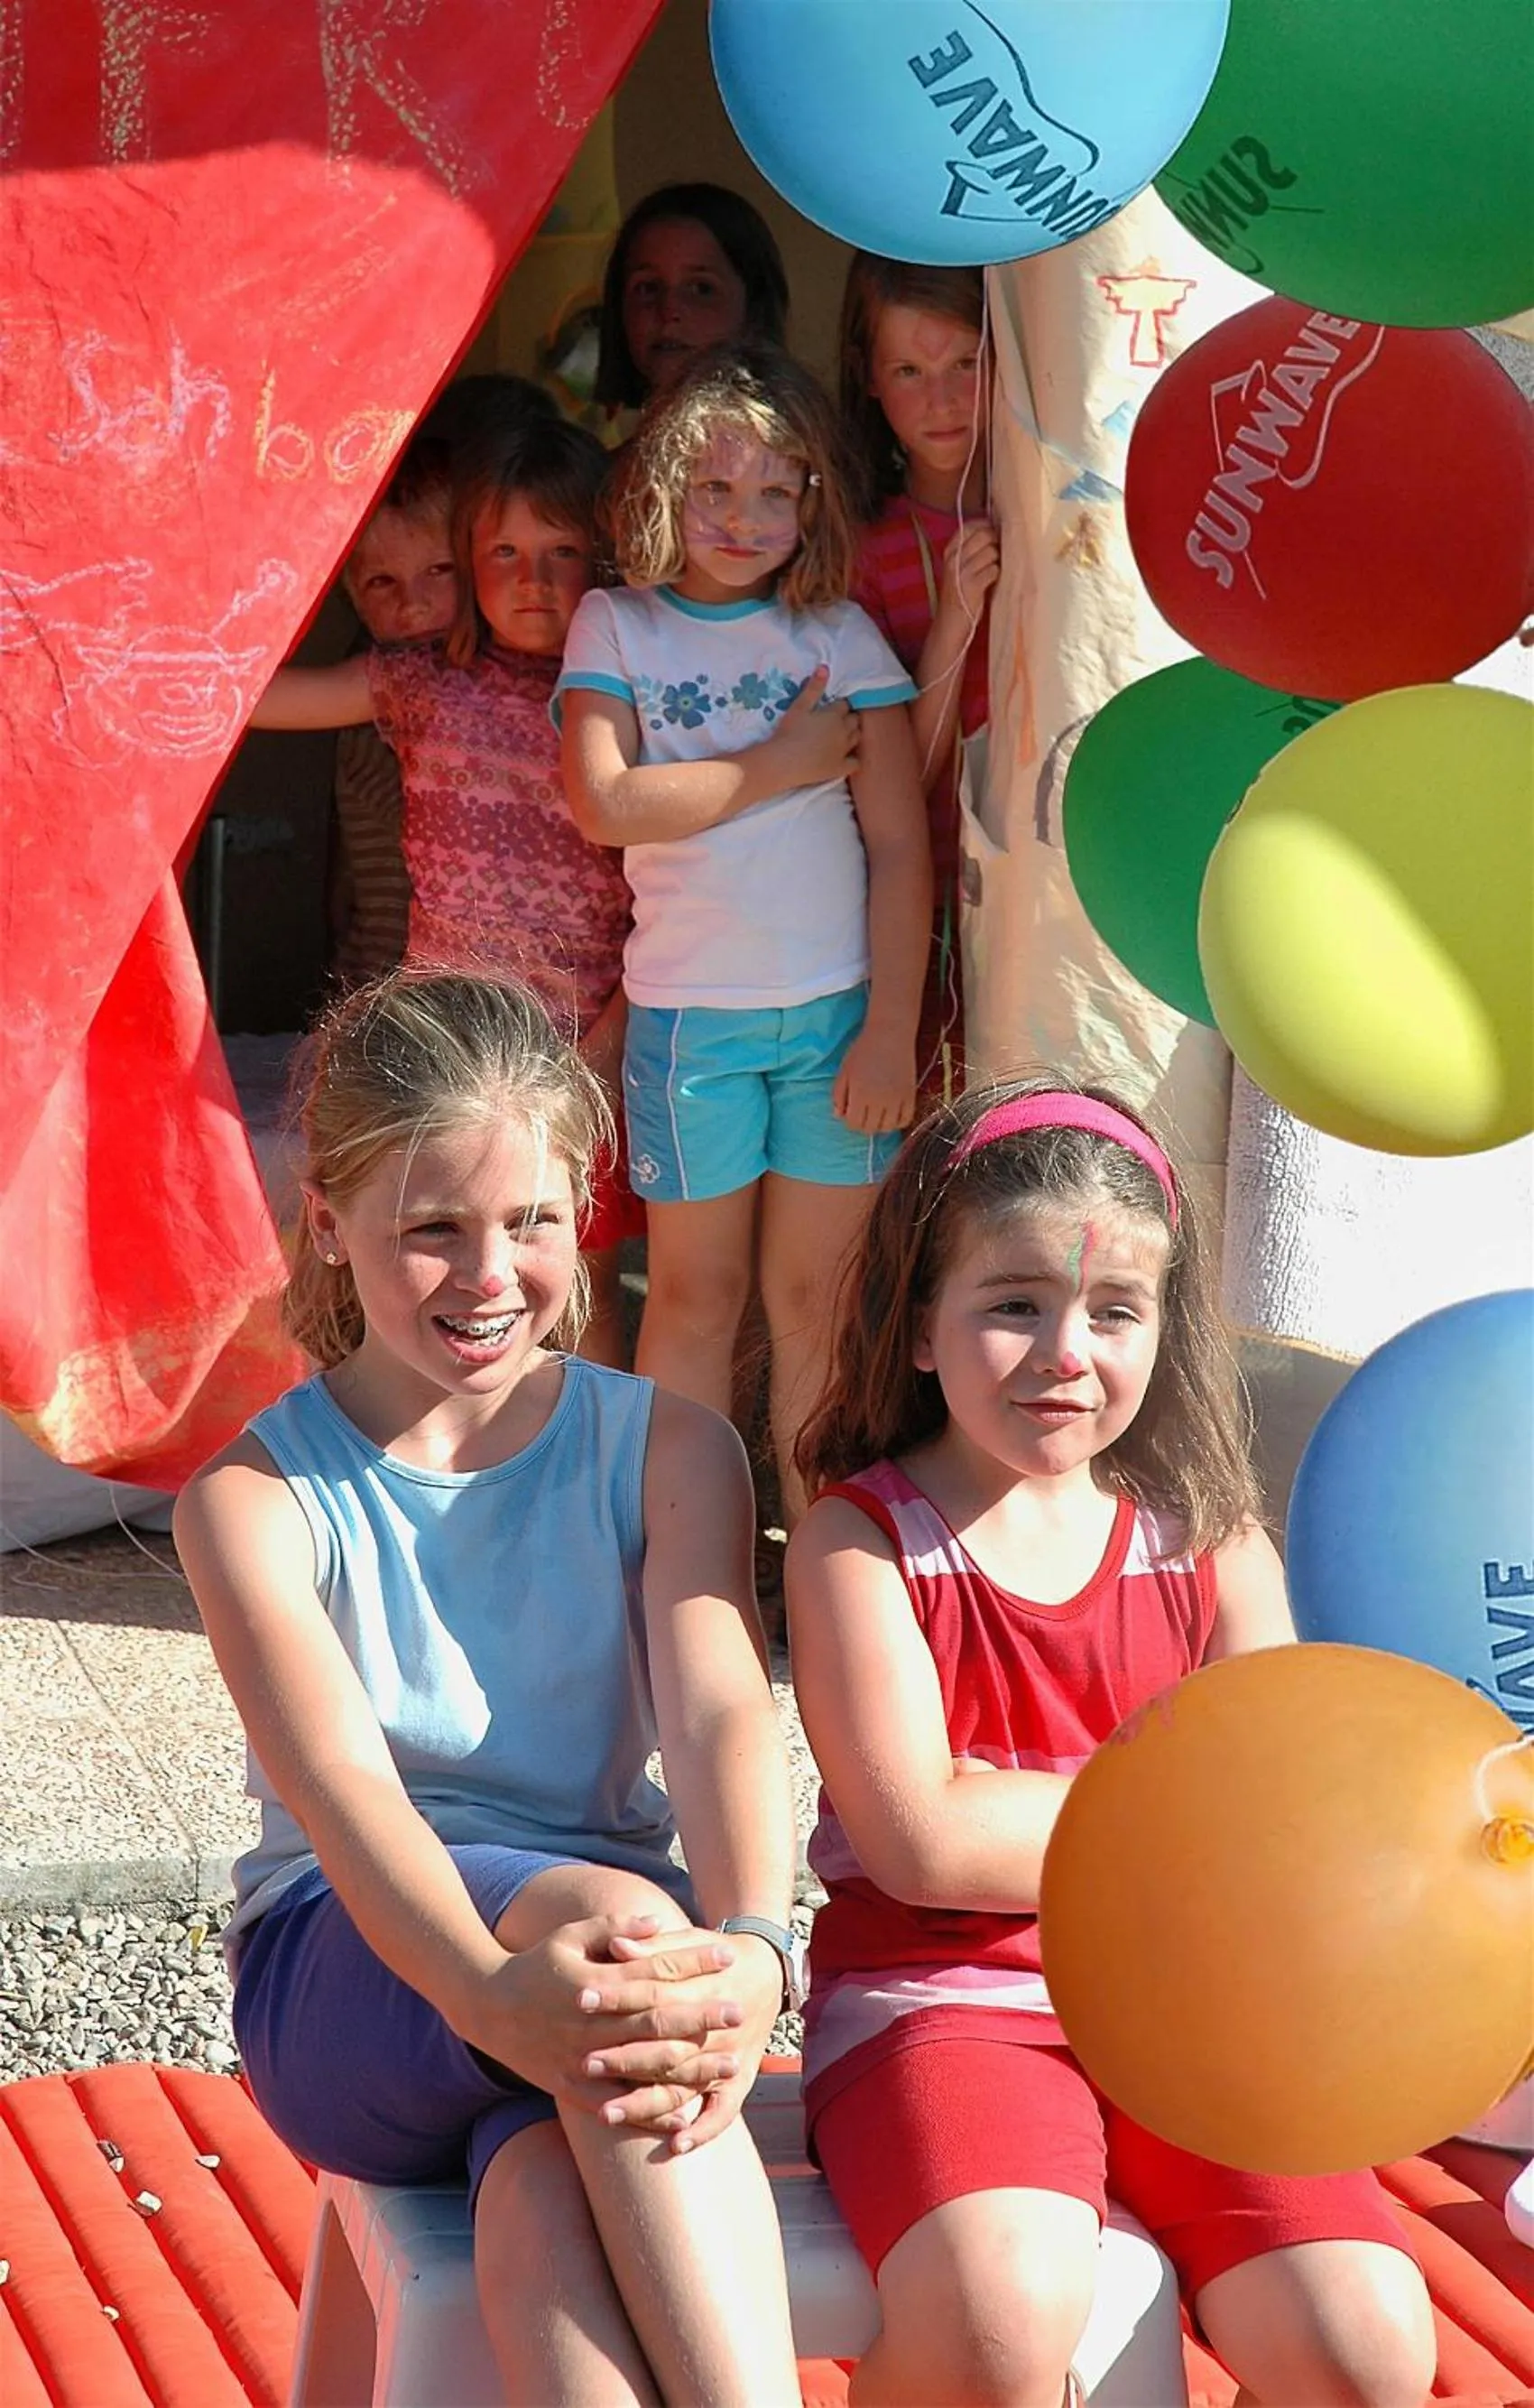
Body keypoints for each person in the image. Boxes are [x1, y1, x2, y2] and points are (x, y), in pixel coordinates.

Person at [175, 968, 804, 2407]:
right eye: (431, 1231)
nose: (489, 1276)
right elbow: (343, 1796)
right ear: (329, 1227)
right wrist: (483, 1995)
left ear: (583, 1208)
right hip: (354, 1971)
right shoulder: (258, 1500)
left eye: (530, 1221)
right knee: (628, 1928)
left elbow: (717, 1710)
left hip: (580, 1988)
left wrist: (761, 1944)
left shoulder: (671, 1448)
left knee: (542, 2202)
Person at [785, 1077, 1437, 2408]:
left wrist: (1085, 1816)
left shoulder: (1208, 1541)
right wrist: (1194, 1818)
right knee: (998, 2314)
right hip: (946, 2005)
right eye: (1014, 1302)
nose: (1065, 1350)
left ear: (1165, 1330)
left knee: (1369, 2339)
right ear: (919, 1325)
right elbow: (923, 1844)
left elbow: (1289, 1818)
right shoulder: (865, 1542)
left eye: (1113, 1311)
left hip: (1195, 2015)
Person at [559, 343, 932, 1523]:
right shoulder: (614, 624)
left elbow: (903, 849)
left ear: (815, 499)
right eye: (716, 488)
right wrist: (784, 763)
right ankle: (690, 1554)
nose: (744, 517)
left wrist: (890, 1030)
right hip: (689, 1026)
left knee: (817, 1302)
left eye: (777, 492)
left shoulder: (839, 638)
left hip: (836, 1030)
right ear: (666, 488)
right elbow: (607, 804)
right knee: (693, 1299)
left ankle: (823, 1560)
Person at [250, 415, 642, 1366]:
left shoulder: (629, 700)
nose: (534, 580)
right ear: (469, 557)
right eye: (502, 551)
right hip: (443, 1052)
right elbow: (256, 697)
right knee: (429, 1269)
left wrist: (608, 1039)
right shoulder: (424, 681)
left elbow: (667, 900)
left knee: (573, 1277)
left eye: (562, 551)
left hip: (578, 1051)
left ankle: (586, 1489)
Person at [328, 377, 559, 987]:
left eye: (441, 571)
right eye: (383, 584)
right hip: (396, 981)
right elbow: (371, 892)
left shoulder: (531, 682)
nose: (415, 606)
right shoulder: (381, 694)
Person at [839, 255, 998, 1107]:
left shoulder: (1057, 515)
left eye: (964, 363)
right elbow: (909, 776)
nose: (940, 399)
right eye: (909, 370)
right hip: (917, 918)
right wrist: (957, 619)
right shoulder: (864, 554)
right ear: (868, 380)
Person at [596, 181, 790, 416]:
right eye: (648, 288)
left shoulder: (783, 451)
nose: (669, 310)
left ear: (754, 307)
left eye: (701, 288)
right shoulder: (597, 454)